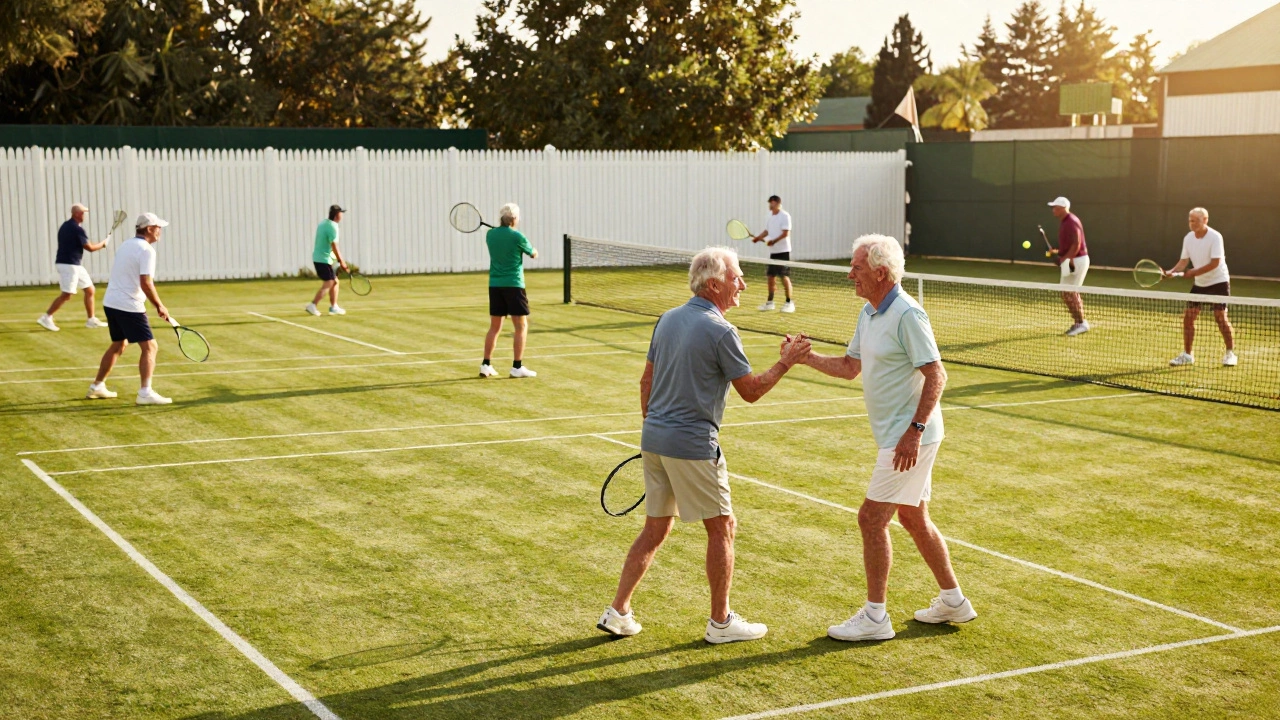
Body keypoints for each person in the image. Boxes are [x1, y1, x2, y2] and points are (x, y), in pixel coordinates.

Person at [596, 246, 811, 644]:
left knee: (655, 530)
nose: (742, 283)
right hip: (692, 444)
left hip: (655, 440)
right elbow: (750, 391)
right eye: (736, 277)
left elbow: (646, 383)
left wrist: (659, 427)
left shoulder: (667, 319)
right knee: (722, 527)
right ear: (714, 284)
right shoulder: (722, 330)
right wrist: (787, 362)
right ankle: (721, 622)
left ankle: (619, 611)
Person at [796, 234, 974, 642]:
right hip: (901, 436)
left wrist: (914, 432)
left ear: (879, 272)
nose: (849, 275)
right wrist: (806, 358)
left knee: (871, 518)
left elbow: (937, 375)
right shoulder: (868, 312)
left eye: (856, 267)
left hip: (909, 438)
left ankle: (875, 617)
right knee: (913, 517)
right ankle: (953, 600)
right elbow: (848, 366)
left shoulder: (908, 315)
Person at [88, 213, 173, 405]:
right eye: (158, 227)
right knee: (150, 346)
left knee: (119, 344)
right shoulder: (147, 250)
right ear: (150, 229)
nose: (160, 231)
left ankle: (97, 386)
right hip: (128, 304)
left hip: (111, 302)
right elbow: (146, 283)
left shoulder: (126, 244)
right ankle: (145, 393)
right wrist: (160, 306)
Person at [1166, 207, 1236, 367]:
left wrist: (1193, 272)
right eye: (1190, 221)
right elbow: (1183, 261)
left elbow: (1215, 263)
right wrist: (1171, 271)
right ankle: (1188, 355)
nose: (1192, 224)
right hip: (1200, 284)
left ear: (1205, 220)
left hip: (1219, 282)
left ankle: (1230, 353)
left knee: (1220, 318)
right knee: (1188, 318)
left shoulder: (1215, 237)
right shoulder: (1188, 238)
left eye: (1196, 221)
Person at [480, 203, 539, 378]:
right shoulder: (518, 237)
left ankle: (486, 364)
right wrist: (533, 250)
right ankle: (517, 367)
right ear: (514, 219)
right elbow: (533, 254)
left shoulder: (490, 235)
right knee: (521, 326)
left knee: (494, 327)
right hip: (514, 284)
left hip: (495, 286)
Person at [38, 203, 110, 331]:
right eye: (83, 213)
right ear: (76, 214)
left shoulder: (66, 226)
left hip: (73, 264)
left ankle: (91, 319)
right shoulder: (77, 229)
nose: (84, 215)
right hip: (69, 264)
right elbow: (90, 248)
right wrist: (103, 244)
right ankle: (46, 317)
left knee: (90, 290)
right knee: (67, 294)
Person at [1047, 197, 1090, 336]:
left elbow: (1076, 244)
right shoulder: (1065, 222)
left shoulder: (1071, 221)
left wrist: (1067, 259)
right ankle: (1079, 322)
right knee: (1067, 293)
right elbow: (1069, 245)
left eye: (1055, 207)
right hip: (1072, 260)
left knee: (1070, 293)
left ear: (1062, 208)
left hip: (1077, 261)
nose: (1053, 209)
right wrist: (1058, 253)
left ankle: (1081, 323)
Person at [753, 195, 795, 313]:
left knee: (784, 277)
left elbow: (785, 233)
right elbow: (767, 231)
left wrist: (773, 241)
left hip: (783, 251)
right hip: (773, 252)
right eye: (769, 203)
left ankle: (789, 303)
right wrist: (758, 238)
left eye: (771, 203)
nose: (770, 205)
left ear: (776, 203)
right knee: (771, 277)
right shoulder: (770, 217)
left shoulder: (785, 216)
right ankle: (770, 303)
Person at [305, 205, 348, 316]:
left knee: (335, 281)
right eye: (341, 213)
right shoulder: (333, 227)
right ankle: (313, 305)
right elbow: (334, 245)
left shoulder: (323, 223)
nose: (342, 215)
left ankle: (334, 307)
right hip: (323, 260)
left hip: (321, 258)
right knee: (330, 282)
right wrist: (341, 261)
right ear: (337, 215)